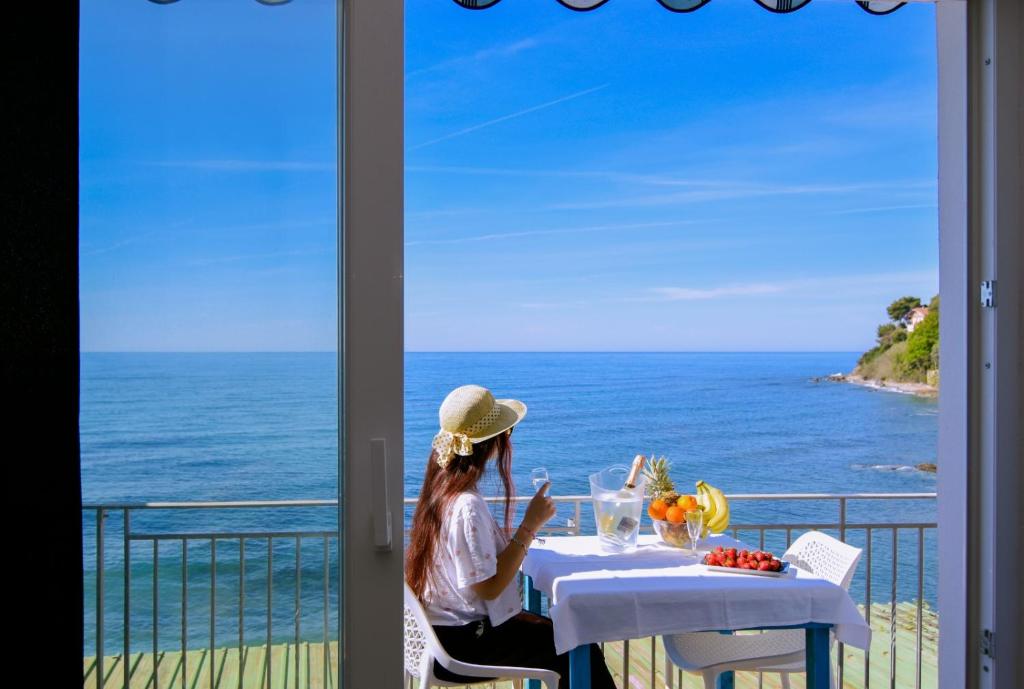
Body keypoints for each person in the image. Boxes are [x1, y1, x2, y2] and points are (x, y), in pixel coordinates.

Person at [405, 384, 616, 689]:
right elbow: (489, 587)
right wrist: (529, 525)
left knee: (565, 638)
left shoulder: (439, 492)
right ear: (492, 443)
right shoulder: (466, 505)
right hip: (466, 644)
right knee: (579, 644)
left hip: (441, 635)